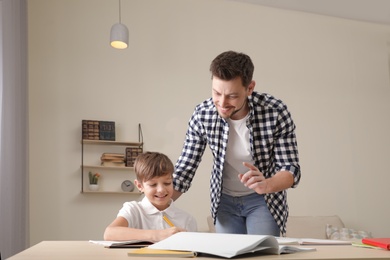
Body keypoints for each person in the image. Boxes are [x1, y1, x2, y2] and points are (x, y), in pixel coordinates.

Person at [172, 50, 301, 237]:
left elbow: (291, 169)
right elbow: (185, 168)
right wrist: (155, 202)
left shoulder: (275, 112)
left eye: (232, 96)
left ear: (250, 88)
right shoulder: (203, 114)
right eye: (216, 93)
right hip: (224, 200)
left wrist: (266, 184)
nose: (222, 103)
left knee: (261, 255)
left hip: (264, 200)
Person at [104, 151, 197, 242]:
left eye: (167, 183)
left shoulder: (187, 219)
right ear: (140, 186)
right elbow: (109, 233)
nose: (161, 190)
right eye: (153, 184)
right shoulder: (133, 210)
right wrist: (157, 235)